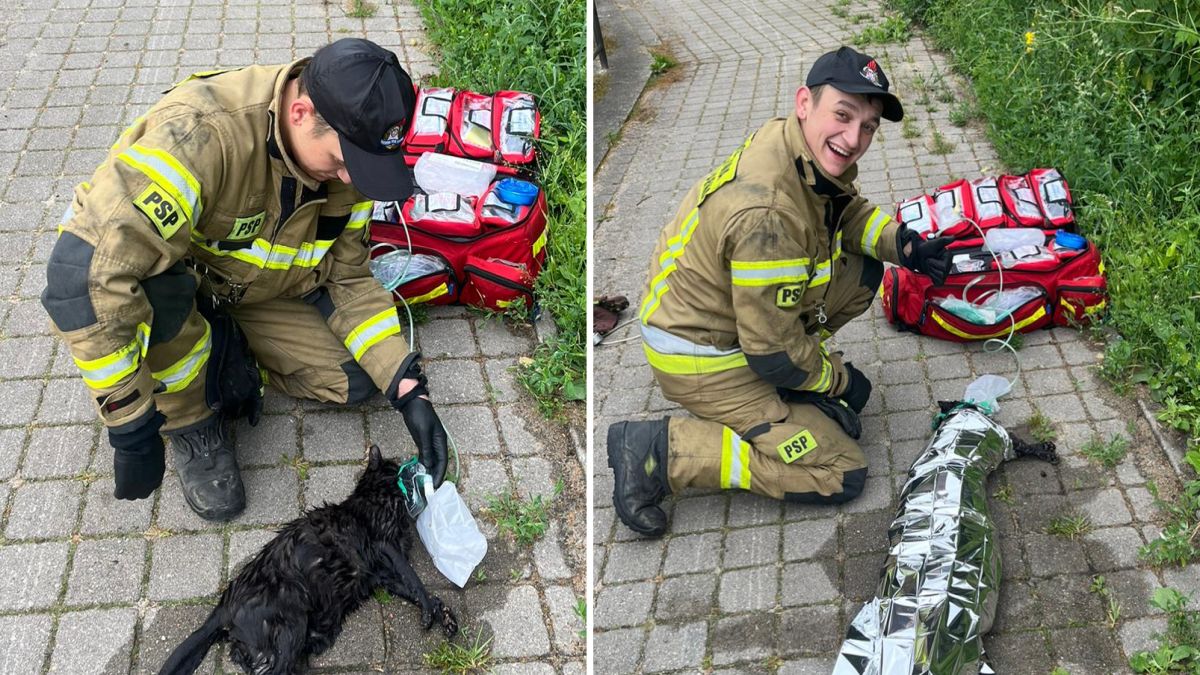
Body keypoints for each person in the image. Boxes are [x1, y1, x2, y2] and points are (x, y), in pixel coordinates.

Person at [41, 38, 449, 521]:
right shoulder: (200, 135)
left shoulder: (351, 155)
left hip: (256, 291)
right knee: (152, 289)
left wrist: (407, 386)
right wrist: (130, 425)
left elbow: (349, 276)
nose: (348, 179)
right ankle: (191, 420)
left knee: (355, 378)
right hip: (181, 284)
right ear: (300, 113)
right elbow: (80, 282)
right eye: (342, 162)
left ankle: (226, 344)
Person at [607, 46, 952, 537]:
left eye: (868, 126)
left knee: (863, 269)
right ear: (804, 102)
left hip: (716, 321)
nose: (854, 139)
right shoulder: (770, 215)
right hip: (702, 359)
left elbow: (845, 212)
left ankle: (790, 385)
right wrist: (835, 381)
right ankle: (659, 453)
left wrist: (906, 245)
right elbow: (771, 351)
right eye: (843, 115)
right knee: (842, 471)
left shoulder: (792, 144)